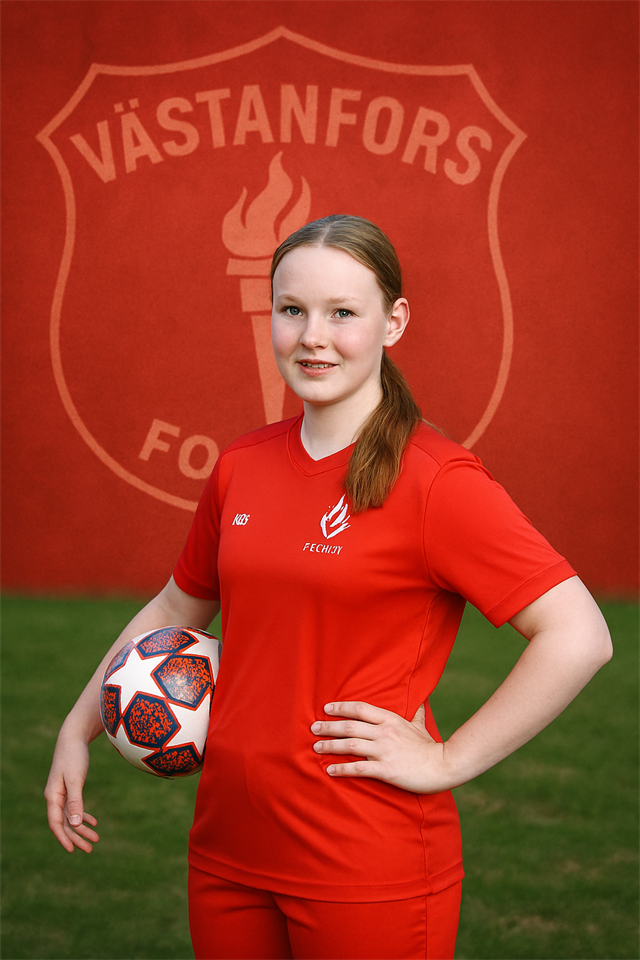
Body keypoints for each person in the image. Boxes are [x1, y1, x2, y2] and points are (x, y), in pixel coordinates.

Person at [46, 215, 612, 960]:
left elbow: (579, 635)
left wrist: (448, 761)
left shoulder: (437, 480)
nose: (313, 337)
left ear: (393, 321)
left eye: (343, 313)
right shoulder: (241, 466)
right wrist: (77, 727)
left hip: (367, 864)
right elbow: (176, 608)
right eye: (293, 310)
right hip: (227, 854)